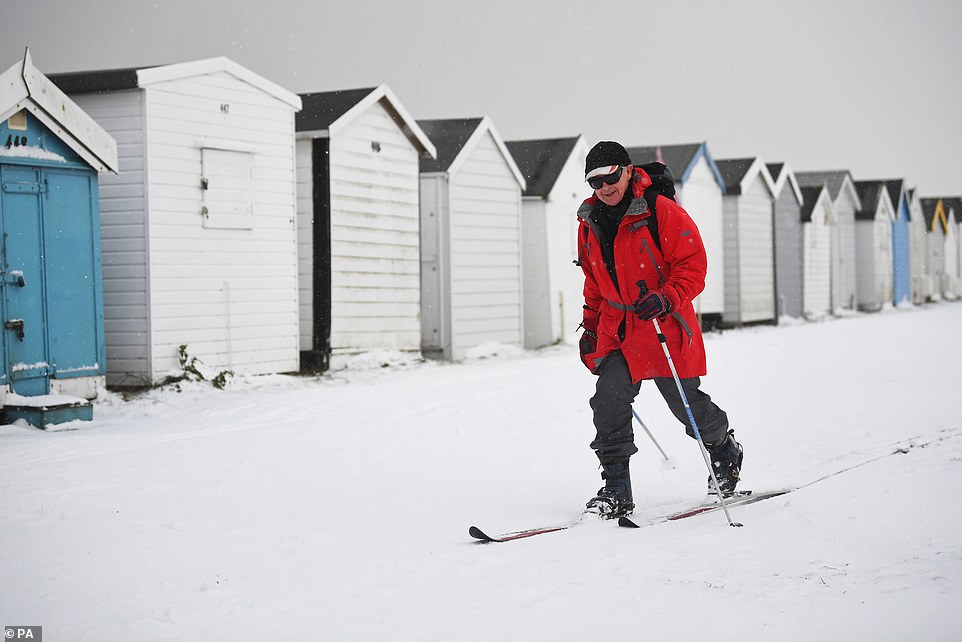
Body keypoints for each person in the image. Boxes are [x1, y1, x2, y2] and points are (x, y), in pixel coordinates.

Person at [576, 141, 743, 518]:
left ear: (627, 170)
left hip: (662, 323)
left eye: (610, 176)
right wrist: (590, 329)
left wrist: (667, 297)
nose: (604, 186)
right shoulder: (590, 223)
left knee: (687, 406)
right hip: (620, 330)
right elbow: (594, 283)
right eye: (595, 181)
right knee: (608, 400)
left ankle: (724, 451)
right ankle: (616, 487)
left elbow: (692, 266)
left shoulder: (659, 210)